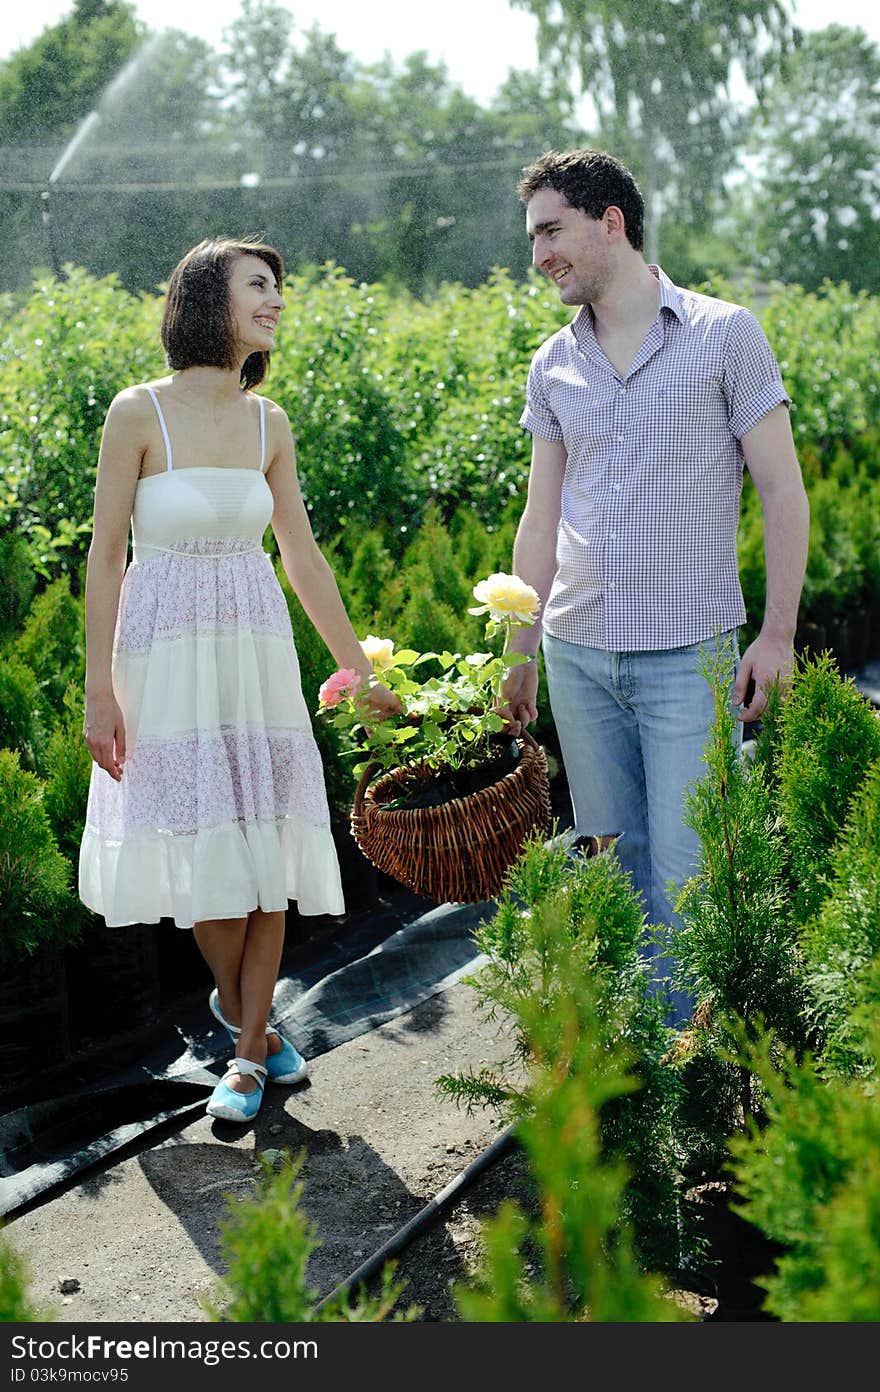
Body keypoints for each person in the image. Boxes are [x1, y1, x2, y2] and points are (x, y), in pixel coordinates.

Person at [79, 237, 399, 1121]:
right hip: (163, 658)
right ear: (206, 299)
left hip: (253, 650)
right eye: (260, 286)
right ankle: (246, 1019)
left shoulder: (272, 425)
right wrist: (98, 690)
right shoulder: (136, 413)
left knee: (261, 837)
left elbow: (302, 556)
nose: (277, 302)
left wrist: (355, 666)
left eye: (279, 289)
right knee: (201, 846)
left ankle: (248, 1059)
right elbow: (106, 560)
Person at [500, 149, 809, 1023]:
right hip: (580, 656)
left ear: (611, 222)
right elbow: (539, 518)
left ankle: (702, 1071)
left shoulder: (724, 334)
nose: (539, 256)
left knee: (692, 871)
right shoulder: (552, 364)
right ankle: (648, 1073)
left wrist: (778, 635)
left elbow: (783, 491)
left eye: (551, 231)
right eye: (532, 238)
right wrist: (519, 655)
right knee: (615, 871)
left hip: (690, 657)